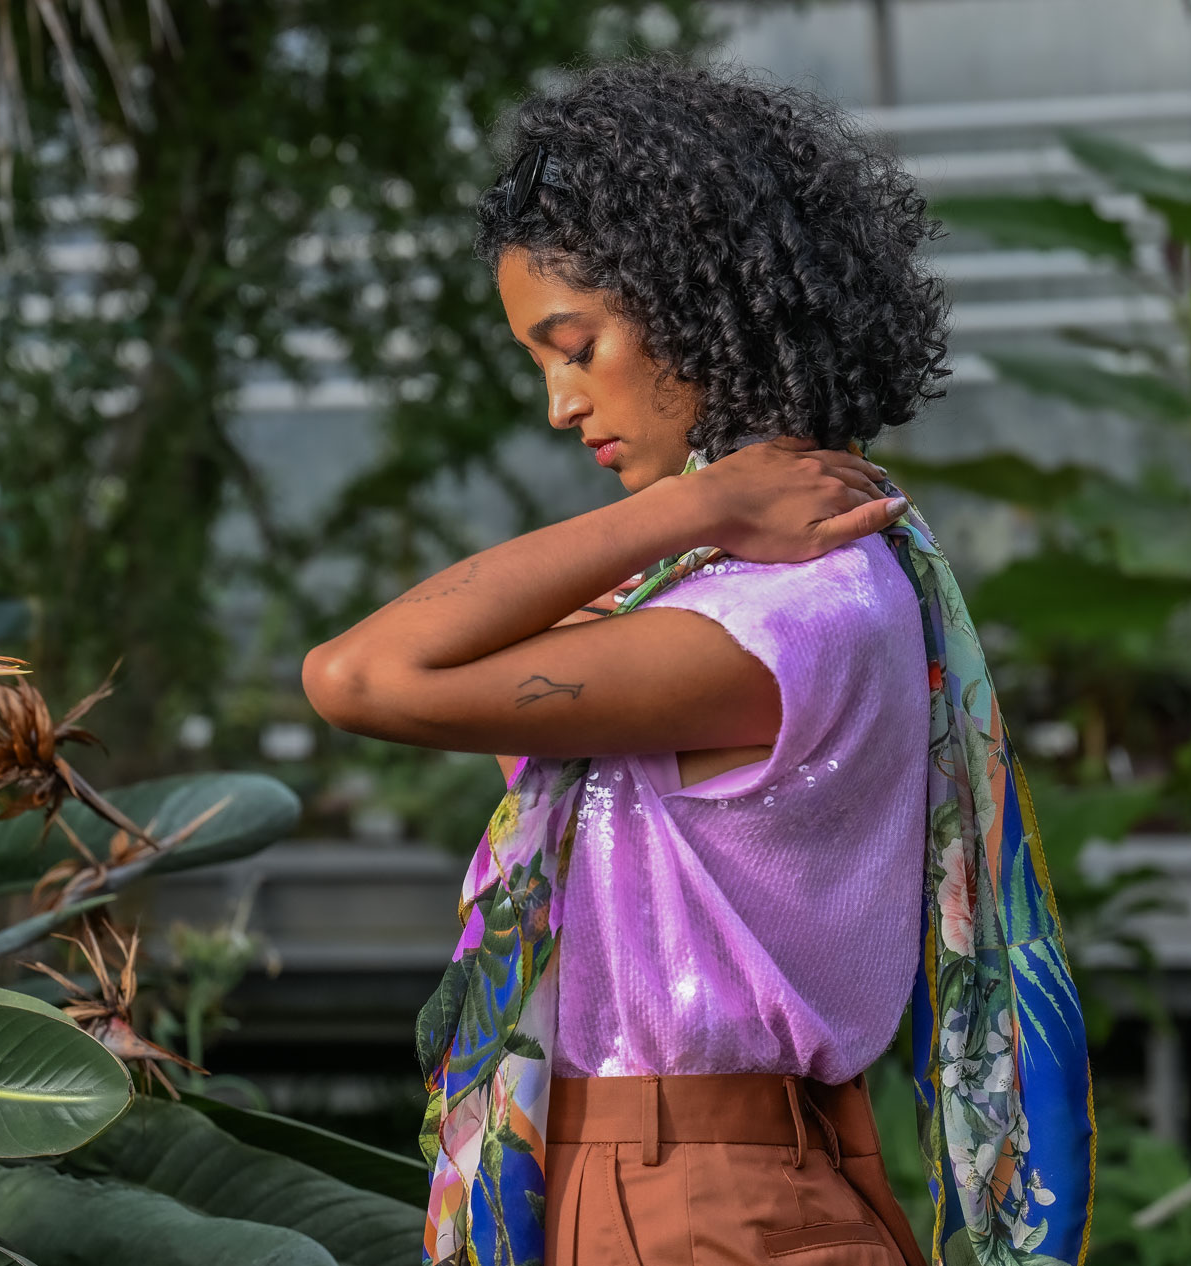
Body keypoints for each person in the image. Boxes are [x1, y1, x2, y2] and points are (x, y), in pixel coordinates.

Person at [303, 57, 1095, 1266]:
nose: (560, 404)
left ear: (692, 301)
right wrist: (701, 517)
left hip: (688, 1199)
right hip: (696, 1183)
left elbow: (358, 677)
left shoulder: (783, 618)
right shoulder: (746, 597)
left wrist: (694, 503)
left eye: (575, 346)